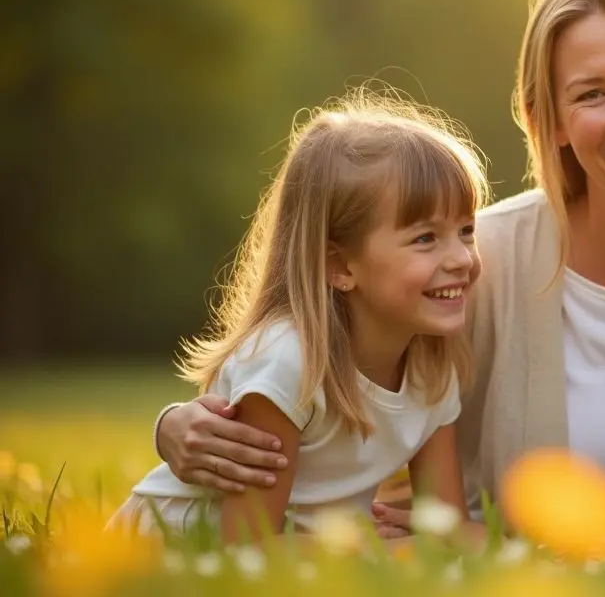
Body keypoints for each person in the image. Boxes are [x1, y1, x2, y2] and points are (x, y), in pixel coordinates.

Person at [147, 0, 605, 545]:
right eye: (593, 93)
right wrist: (176, 425)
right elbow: (319, 350)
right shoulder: (479, 259)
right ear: (552, 122)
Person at [110, 90, 490, 547]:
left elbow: (446, 531)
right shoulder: (289, 363)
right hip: (159, 556)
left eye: (465, 231)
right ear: (339, 266)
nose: (461, 258)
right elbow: (246, 550)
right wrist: (384, 555)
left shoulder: (431, 365)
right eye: (425, 238)